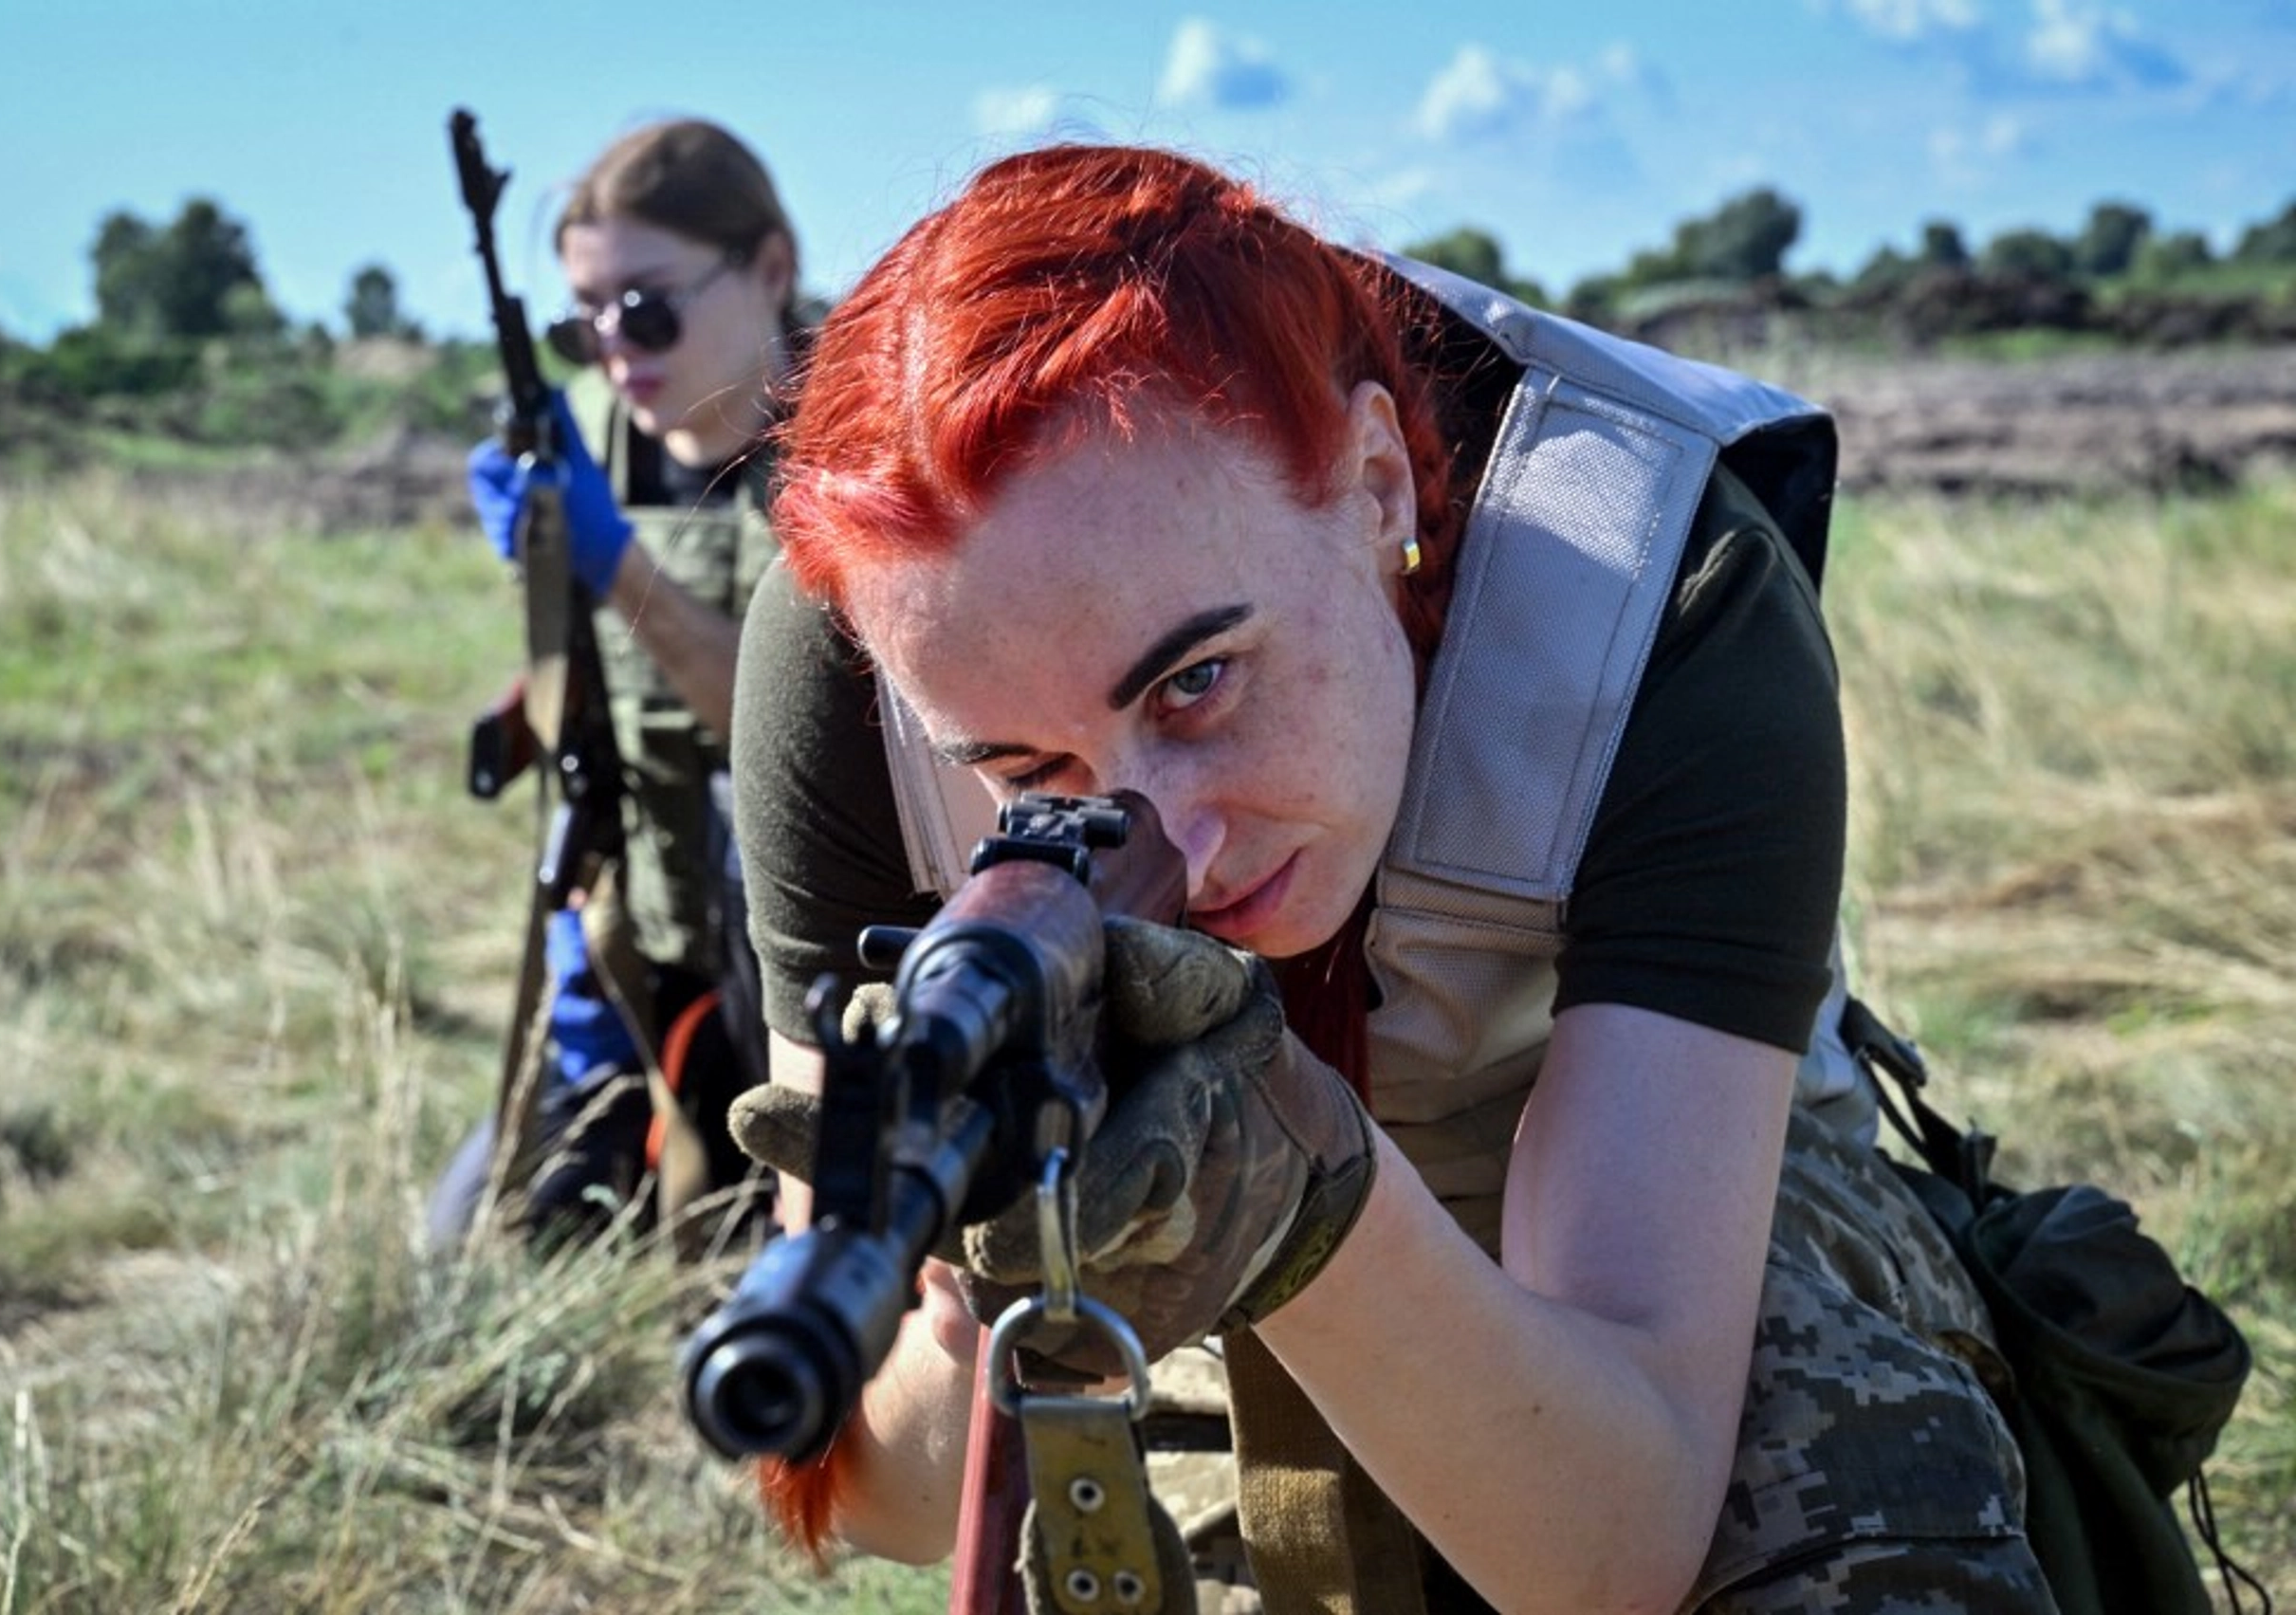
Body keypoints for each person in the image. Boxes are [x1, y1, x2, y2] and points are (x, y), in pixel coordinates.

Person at [723, 143, 2060, 1611]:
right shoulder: (864, 649)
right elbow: (883, 1499)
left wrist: (1303, 1199)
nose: (1177, 833)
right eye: (1027, 770)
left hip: (1637, 1204)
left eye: (1200, 682)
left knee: (1848, 1508)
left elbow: (1616, 1539)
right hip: (1176, 1250)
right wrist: (992, 1258)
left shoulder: (1651, 600)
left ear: (1373, 485)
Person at [430, 117, 805, 1250]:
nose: (615, 350)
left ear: (771, 270)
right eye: (579, 323)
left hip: (807, 965)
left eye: (645, 308)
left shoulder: (860, 458)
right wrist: (557, 582)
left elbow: (784, 738)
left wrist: (611, 563)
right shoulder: (604, 437)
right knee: (465, 1244)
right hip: (648, 939)